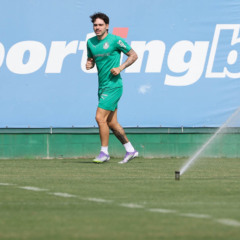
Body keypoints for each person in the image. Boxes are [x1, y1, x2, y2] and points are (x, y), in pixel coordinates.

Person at [86, 12, 138, 164]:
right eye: (95, 25)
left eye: (100, 25)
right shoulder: (90, 42)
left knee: (99, 117)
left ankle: (104, 153)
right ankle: (130, 150)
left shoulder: (115, 40)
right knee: (112, 123)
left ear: (107, 26)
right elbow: (91, 60)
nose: (97, 27)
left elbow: (134, 55)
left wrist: (120, 67)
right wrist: (89, 64)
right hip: (102, 86)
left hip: (114, 86)